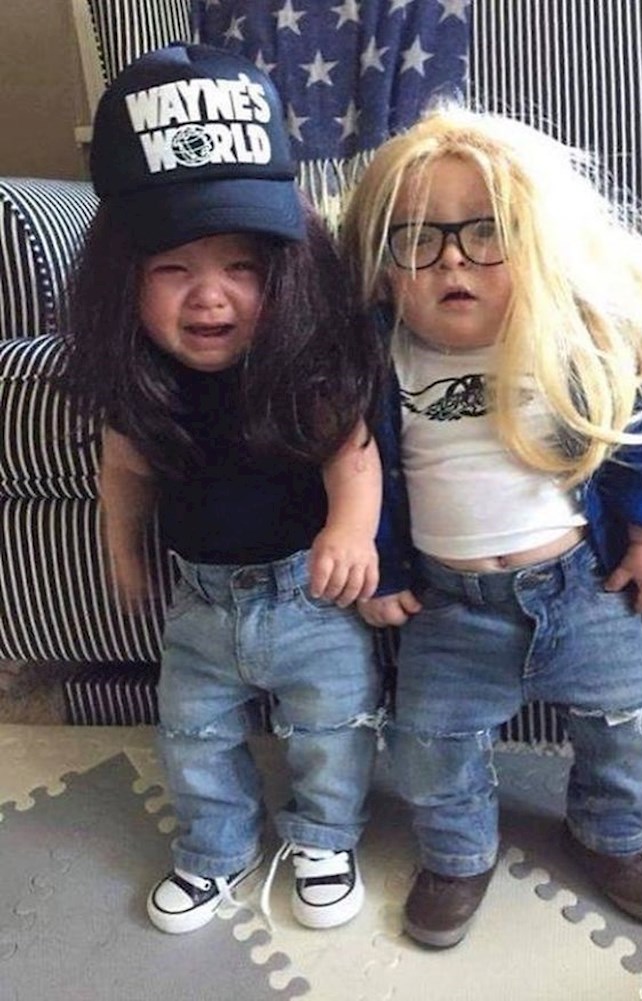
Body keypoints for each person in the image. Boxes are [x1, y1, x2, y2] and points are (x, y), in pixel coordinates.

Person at [340, 102, 642, 948]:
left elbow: (641, 440)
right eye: (417, 238)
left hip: (580, 591)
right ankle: (458, 851)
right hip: (449, 608)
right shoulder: (380, 357)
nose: (452, 259)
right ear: (384, 268)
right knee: (431, 744)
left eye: (486, 232)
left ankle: (611, 832)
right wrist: (381, 570)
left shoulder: (568, 341)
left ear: (538, 242)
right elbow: (360, 476)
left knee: (626, 725)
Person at [60, 43, 387, 936]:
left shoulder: (304, 369)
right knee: (192, 732)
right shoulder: (140, 389)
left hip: (312, 596)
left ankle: (325, 837)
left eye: (241, 267)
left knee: (333, 726)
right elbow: (123, 472)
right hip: (200, 606)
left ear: (285, 269)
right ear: (122, 280)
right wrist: (122, 554)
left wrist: (353, 530)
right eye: (172, 269)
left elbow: (353, 453)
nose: (210, 297)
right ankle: (214, 845)